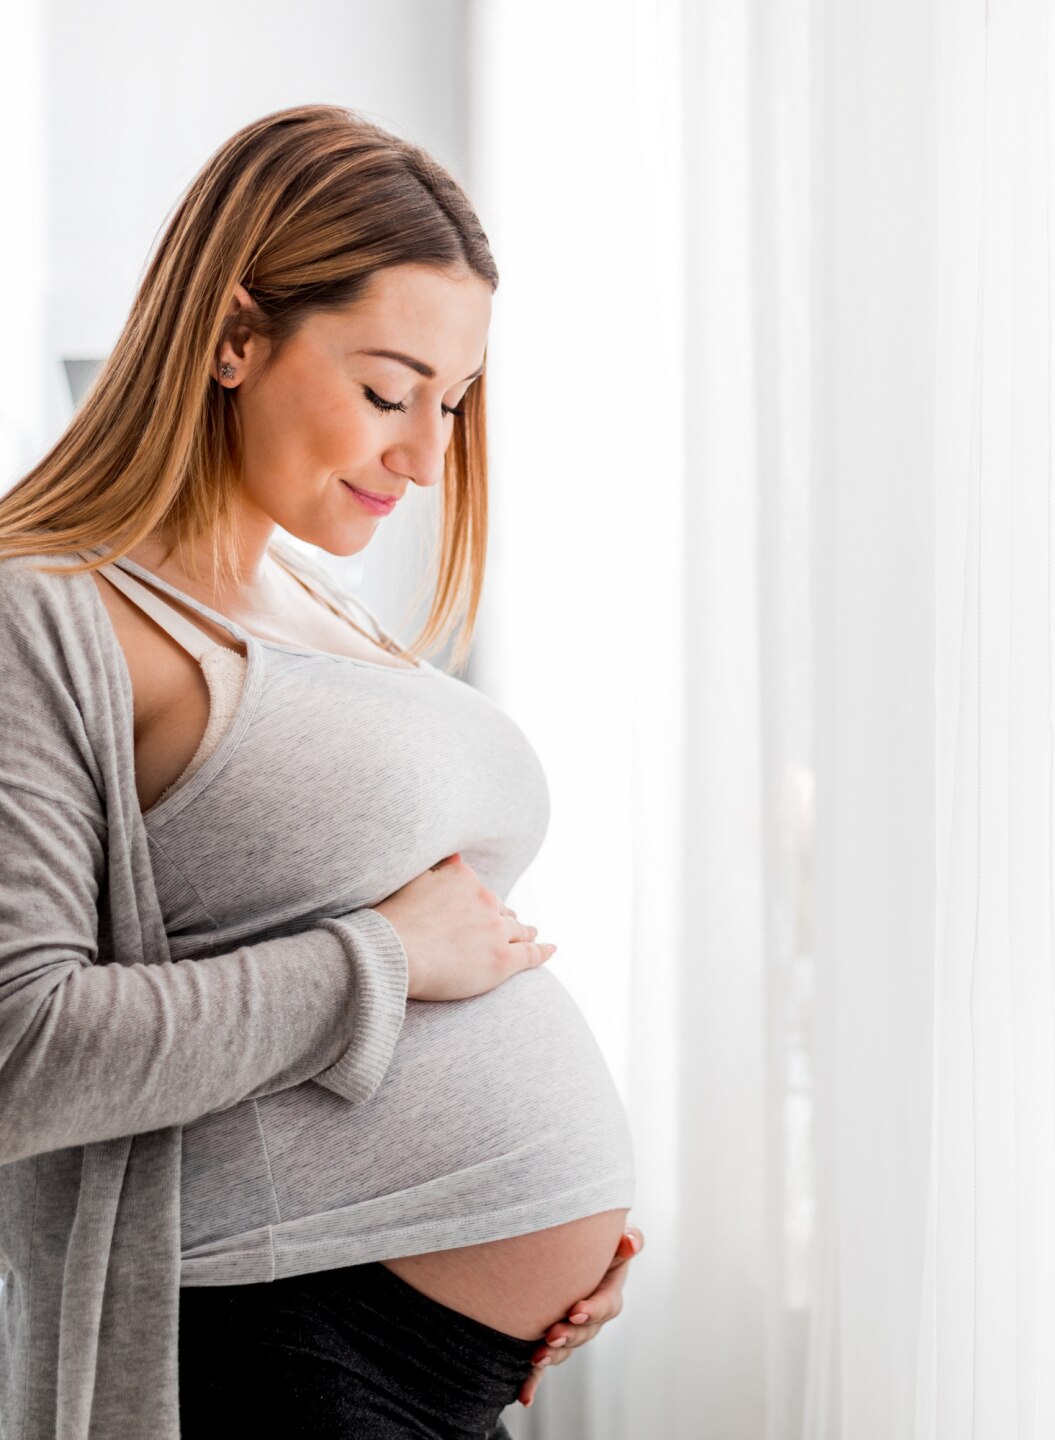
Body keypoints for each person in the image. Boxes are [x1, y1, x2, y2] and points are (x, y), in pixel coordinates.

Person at [0, 103, 643, 1440]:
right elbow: (23, 1050)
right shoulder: (48, 616)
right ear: (236, 336)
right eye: (386, 390)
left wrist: (514, 1234)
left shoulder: (310, 596)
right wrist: (385, 961)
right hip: (277, 1351)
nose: (424, 454)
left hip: (426, 1365)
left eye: (452, 404)